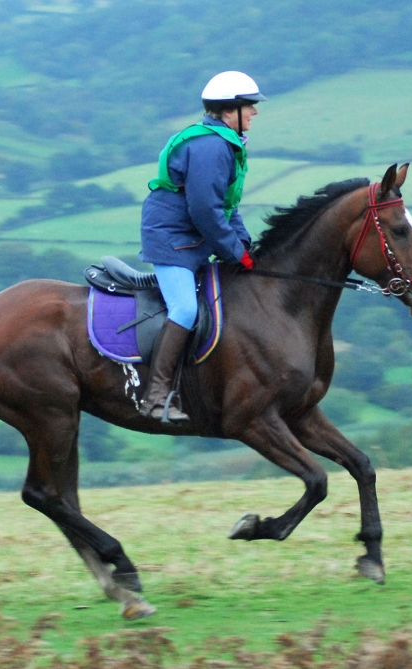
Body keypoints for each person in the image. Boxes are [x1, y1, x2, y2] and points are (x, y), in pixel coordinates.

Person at [137, 70, 265, 422]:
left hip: (192, 235)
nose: (255, 113)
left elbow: (227, 205)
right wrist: (232, 251)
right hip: (172, 239)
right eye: (250, 107)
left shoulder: (224, 142)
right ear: (230, 110)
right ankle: (157, 395)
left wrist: (244, 247)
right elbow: (205, 210)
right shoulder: (211, 147)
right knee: (185, 310)